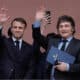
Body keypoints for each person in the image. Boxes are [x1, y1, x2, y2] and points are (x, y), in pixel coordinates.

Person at [32, 9, 80, 80]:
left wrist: (68, 67)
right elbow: (37, 36)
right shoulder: (52, 41)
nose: (63, 28)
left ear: (72, 29)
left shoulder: (78, 44)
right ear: (58, 29)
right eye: (61, 26)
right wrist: (37, 21)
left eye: (66, 26)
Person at [0, 10, 34, 79]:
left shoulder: (29, 48)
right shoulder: (3, 42)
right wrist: (1, 24)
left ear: (24, 29)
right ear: (11, 29)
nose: (17, 30)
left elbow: (31, 69)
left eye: (20, 28)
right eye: (15, 27)